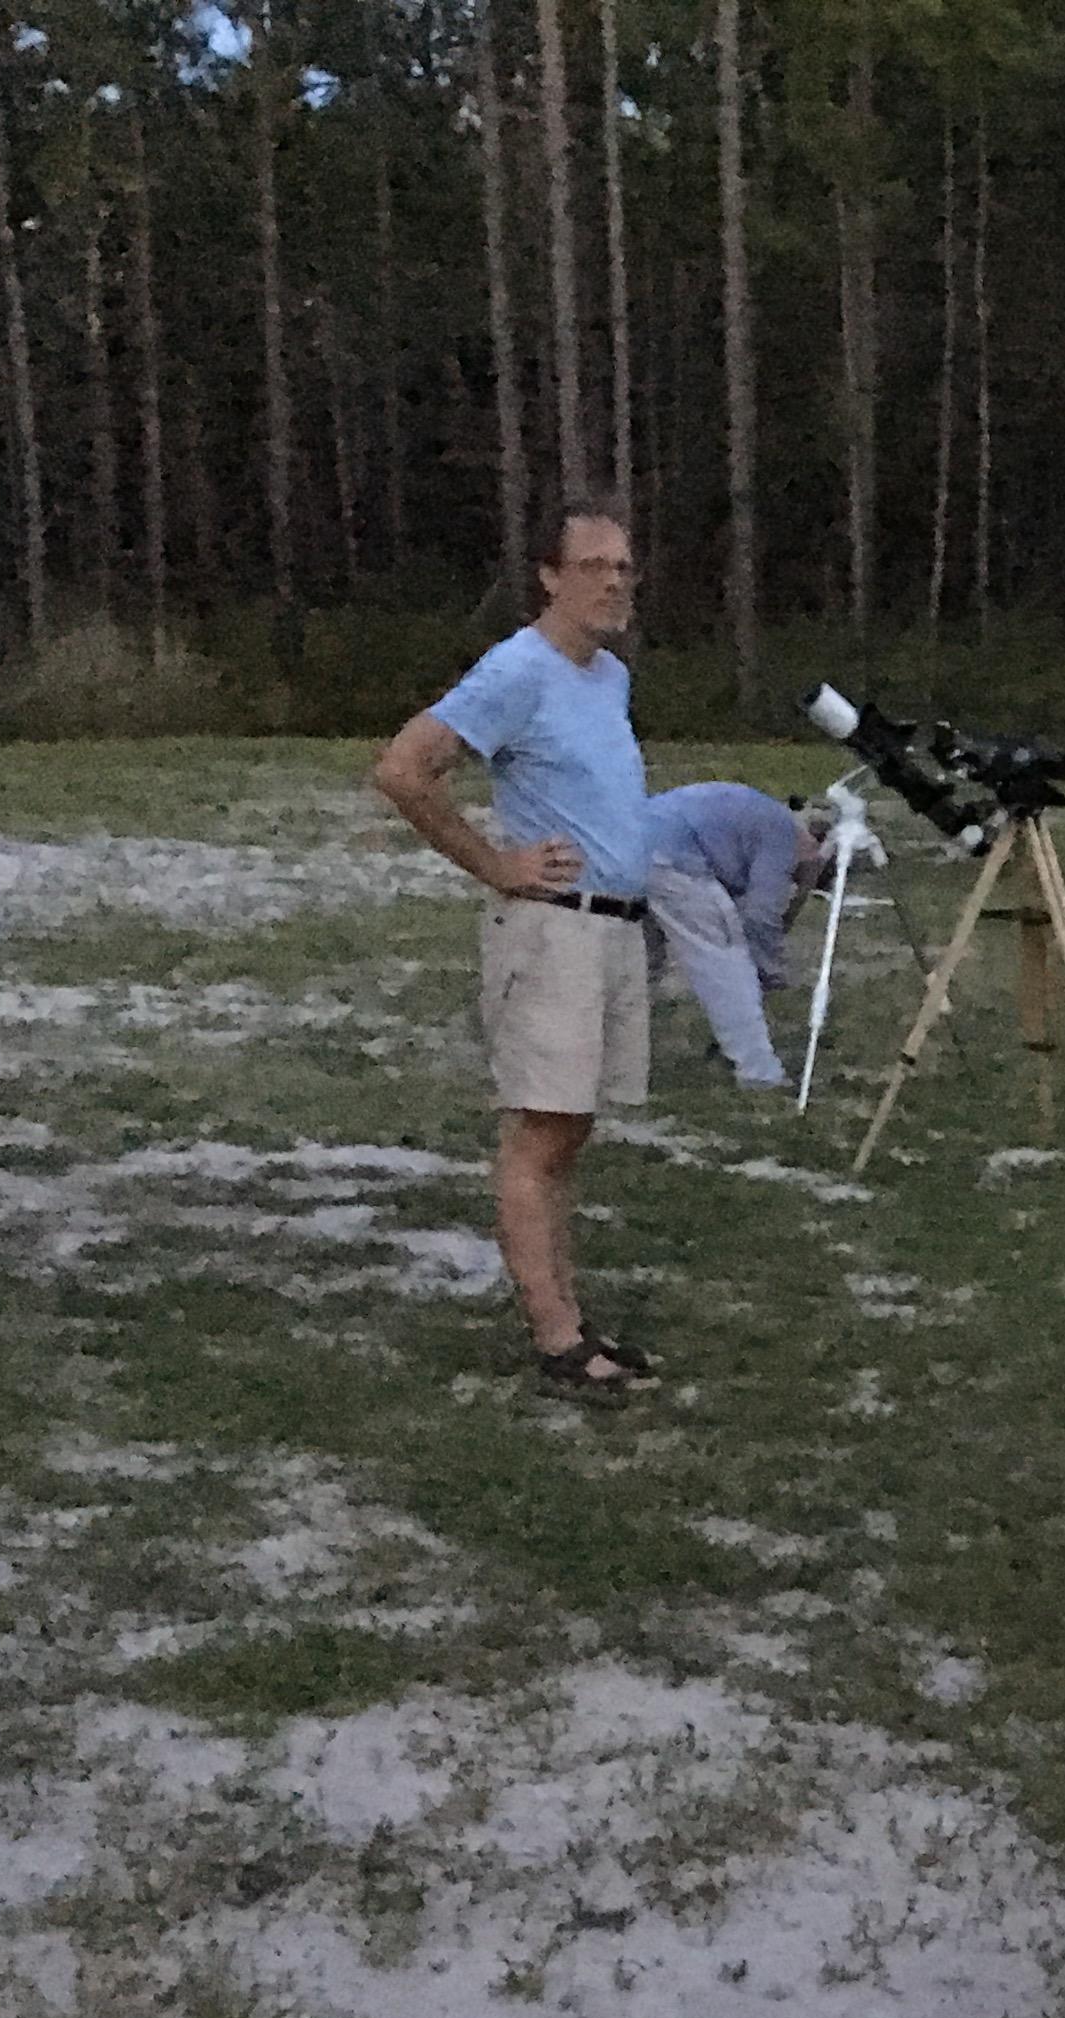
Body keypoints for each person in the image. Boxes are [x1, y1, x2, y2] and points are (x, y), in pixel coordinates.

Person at [369, 498, 658, 1406]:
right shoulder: (516, 669)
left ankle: (571, 1320)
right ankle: (557, 1343)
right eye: (594, 566)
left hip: (611, 929)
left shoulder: (607, 677)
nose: (614, 581)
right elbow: (404, 769)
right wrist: (495, 865)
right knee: (540, 1135)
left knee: (570, 1132)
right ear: (549, 576)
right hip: (552, 931)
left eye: (624, 566)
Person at [645, 777, 827, 1087]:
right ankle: (758, 1072)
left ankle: (613, 1062)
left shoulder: (755, 812)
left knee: (636, 967)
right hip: (674, 858)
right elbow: (760, 916)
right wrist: (768, 969)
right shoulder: (783, 835)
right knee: (725, 963)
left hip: (628, 842)